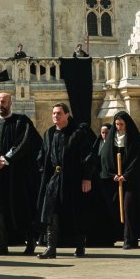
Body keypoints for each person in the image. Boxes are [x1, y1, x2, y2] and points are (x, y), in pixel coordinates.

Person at [0, 92, 42, 256]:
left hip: (17, 175)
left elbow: (23, 143)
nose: (1, 105)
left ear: (10, 103)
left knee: (22, 208)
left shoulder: (21, 122)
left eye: (4, 101)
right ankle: (2, 245)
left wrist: (6, 159)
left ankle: (30, 243)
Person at [36, 103, 98, 259]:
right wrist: (44, 172)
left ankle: (80, 246)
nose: (55, 116)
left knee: (76, 212)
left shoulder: (77, 133)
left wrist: (87, 177)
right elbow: (42, 155)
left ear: (67, 115)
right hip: (54, 179)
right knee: (51, 211)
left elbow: (88, 156)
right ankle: (51, 248)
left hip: (73, 179)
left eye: (59, 113)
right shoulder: (49, 133)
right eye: (54, 113)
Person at [98, 111, 140, 248]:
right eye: (116, 124)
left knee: (129, 207)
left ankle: (130, 239)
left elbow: (138, 159)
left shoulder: (134, 138)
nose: (118, 127)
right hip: (115, 180)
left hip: (132, 181)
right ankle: (114, 236)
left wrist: (126, 175)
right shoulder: (112, 138)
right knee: (114, 208)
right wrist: (113, 174)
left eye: (121, 124)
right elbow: (105, 158)